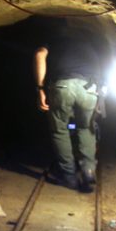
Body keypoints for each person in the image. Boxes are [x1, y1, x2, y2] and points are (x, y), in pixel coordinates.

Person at [34, 32, 102, 191]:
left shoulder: (53, 39)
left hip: (63, 85)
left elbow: (39, 54)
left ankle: (69, 176)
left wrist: (40, 89)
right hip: (89, 87)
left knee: (60, 131)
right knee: (86, 128)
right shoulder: (91, 42)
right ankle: (89, 171)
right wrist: (101, 97)